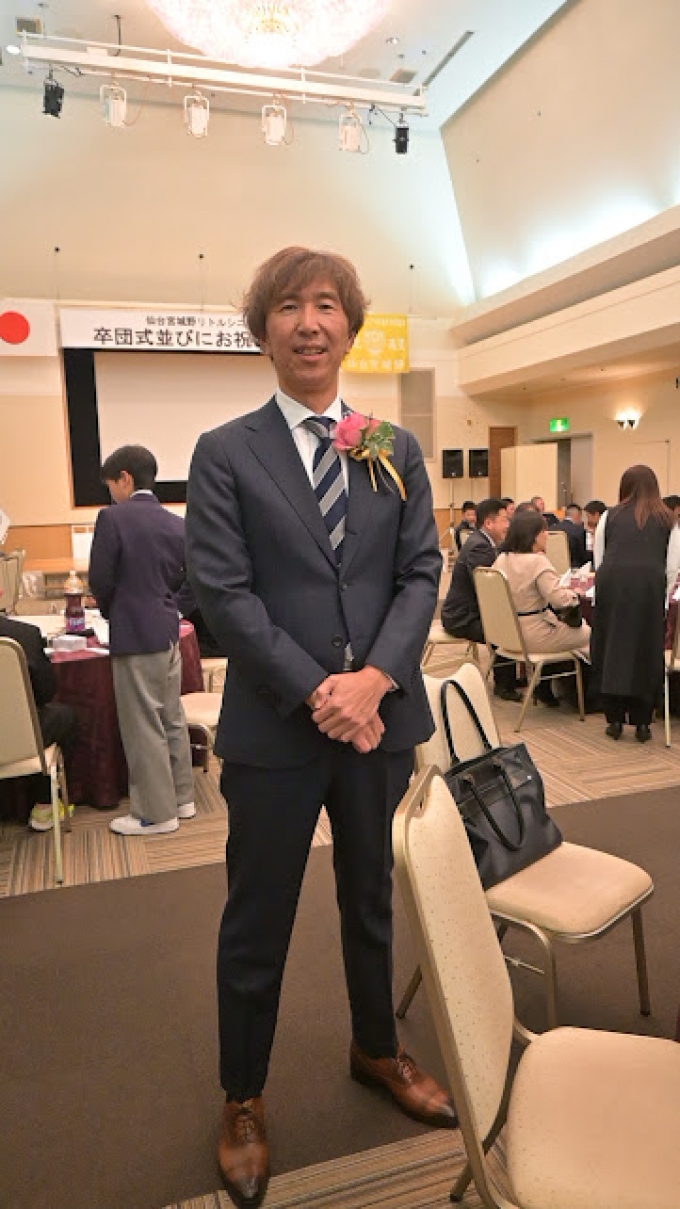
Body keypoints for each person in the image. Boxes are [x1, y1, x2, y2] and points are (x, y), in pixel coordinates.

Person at [185, 247, 453, 1209]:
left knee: (373, 899)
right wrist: (319, 690)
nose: (309, 321)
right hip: (275, 729)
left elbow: (420, 573)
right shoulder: (226, 451)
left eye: (328, 305)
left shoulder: (393, 445)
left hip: (379, 722)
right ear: (264, 330)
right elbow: (225, 593)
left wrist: (374, 680)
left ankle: (376, 1047)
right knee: (257, 918)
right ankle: (243, 1095)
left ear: (351, 327)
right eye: (290, 306)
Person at [88, 445, 195, 835]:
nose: (111, 494)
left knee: (142, 723)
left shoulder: (112, 518)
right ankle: (182, 798)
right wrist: (175, 608)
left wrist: (111, 611)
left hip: (134, 632)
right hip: (168, 630)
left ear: (125, 479)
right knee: (171, 717)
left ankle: (155, 813)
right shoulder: (176, 522)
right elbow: (197, 578)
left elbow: (100, 579)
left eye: (111, 485)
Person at [591, 465, 680, 742]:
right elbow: (672, 566)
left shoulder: (610, 515)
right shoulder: (668, 519)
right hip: (649, 586)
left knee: (612, 650)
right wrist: (661, 598)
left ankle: (614, 719)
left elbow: (599, 558)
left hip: (612, 585)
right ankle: (642, 723)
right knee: (646, 652)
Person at [494, 510, 591, 707]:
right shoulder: (537, 561)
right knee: (591, 634)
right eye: (544, 531)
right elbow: (560, 600)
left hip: (507, 635)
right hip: (535, 635)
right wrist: (574, 594)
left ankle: (547, 686)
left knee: (563, 630)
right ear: (534, 535)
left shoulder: (501, 559)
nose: (548, 535)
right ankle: (587, 697)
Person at [0, 609, 78, 829]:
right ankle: (45, 805)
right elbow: (45, 693)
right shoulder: (23, 635)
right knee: (64, 717)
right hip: (16, 738)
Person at [441, 497, 520, 700]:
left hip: (470, 611)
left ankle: (510, 680)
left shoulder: (483, 542)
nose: (508, 525)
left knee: (507, 622)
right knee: (505, 629)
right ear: (489, 523)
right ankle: (504, 686)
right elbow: (488, 590)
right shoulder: (480, 547)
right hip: (462, 617)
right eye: (505, 520)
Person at [559, 502, 588, 567]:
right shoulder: (579, 531)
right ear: (577, 516)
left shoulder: (551, 529)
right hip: (574, 568)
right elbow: (583, 556)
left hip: (553, 567)